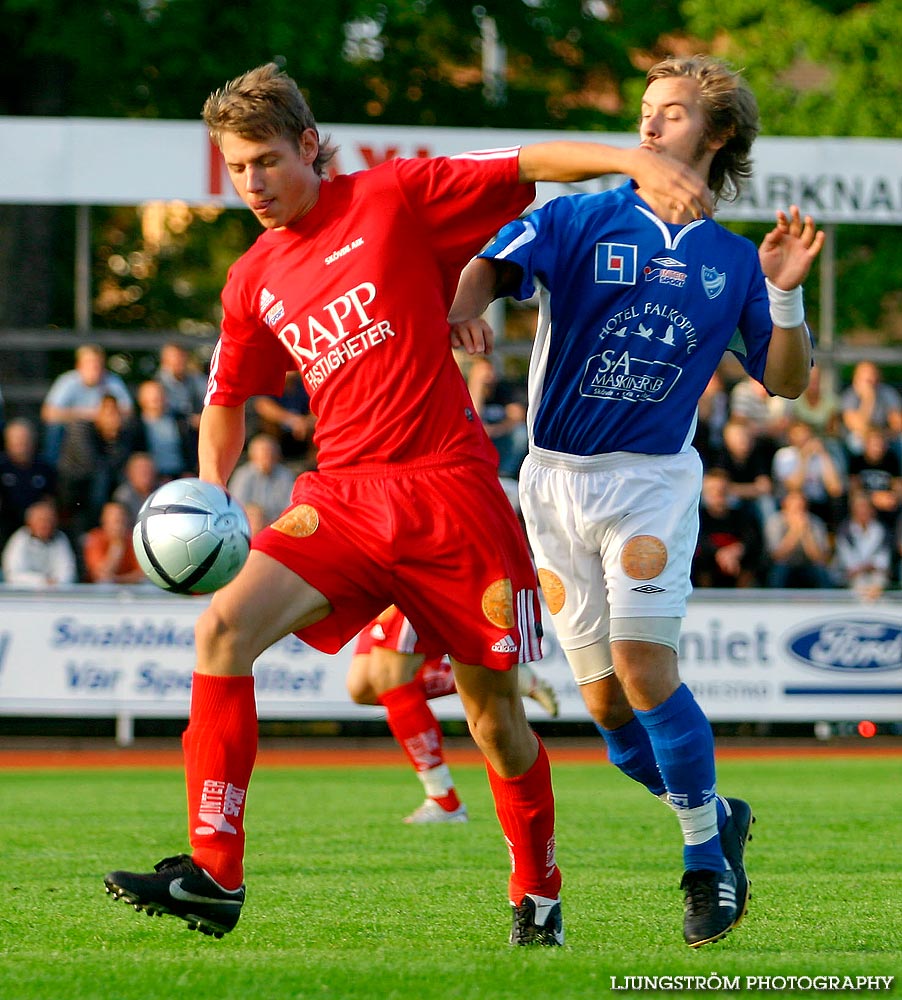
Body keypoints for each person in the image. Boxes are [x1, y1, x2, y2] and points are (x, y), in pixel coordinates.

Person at [102, 60, 714, 946]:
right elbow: (225, 399)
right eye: (236, 168)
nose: (252, 184)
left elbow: (525, 161)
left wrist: (636, 161)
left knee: (495, 722)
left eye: (266, 161)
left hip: (449, 494)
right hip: (341, 498)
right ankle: (215, 875)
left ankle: (537, 891)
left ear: (309, 145)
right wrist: (212, 491)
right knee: (221, 631)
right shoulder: (252, 278)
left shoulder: (392, 194)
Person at [449, 54, 824, 947]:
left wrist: (783, 289)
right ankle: (718, 813)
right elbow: (486, 274)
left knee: (644, 668)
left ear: (718, 133)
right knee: (611, 710)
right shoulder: (581, 214)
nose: (650, 126)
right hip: (551, 483)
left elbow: (787, 381)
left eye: (674, 114)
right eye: (647, 110)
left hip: (650, 481)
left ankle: (704, 867)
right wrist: (457, 307)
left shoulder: (732, 259)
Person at [346, 605, 560, 824]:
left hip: (407, 574)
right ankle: (503, 679)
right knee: (362, 688)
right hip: (375, 578)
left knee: (389, 678)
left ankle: (443, 799)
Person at [40, 344, 133, 462]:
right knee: (55, 428)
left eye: (98, 364)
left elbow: (127, 411)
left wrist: (106, 420)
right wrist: (89, 415)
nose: (94, 368)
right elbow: (48, 413)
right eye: (89, 364)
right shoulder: (67, 382)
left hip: (101, 433)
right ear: (79, 366)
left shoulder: (112, 381)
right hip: (72, 436)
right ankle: (51, 468)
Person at [771, 419, 846, 532]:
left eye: (805, 433)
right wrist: (804, 457)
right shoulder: (784, 455)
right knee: (796, 499)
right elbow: (794, 486)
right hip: (793, 502)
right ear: (790, 437)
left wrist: (823, 455)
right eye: (798, 434)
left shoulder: (820, 455)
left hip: (818, 503)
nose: (802, 438)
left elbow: (835, 488)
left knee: (838, 502)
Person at [692, 469, 764, 588]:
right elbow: (697, 541)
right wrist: (718, 553)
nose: (717, 494)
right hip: (706, 570)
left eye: (721, 491)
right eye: (712, 491)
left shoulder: (742, 516)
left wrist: (737, 550)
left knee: (752, 557)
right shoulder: (696, 518)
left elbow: (753, 540)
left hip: (736, 569)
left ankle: (742, 598)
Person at [0, 418, 57, 549]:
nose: (21, 442)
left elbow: (50, 499)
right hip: (6, 519)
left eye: (25, 438)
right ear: (7, 440)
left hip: (35, 524)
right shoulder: (2, 465)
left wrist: (40, 515)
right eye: (17, 438)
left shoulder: (44, 467)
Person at [763, 489, 834, 589]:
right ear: (785, 506)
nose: (798, 511)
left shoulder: (815, 523)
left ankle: (827, 602)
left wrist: (806, 534)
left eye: (801, 507)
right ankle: (775, 602)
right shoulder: (775, 522)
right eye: (795, 507)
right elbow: (777, 556)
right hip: (784, 565)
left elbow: (819, 558)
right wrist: (794, 532)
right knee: (779, 571)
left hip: (808, 566)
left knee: (821, 572)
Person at [1, 498, 77, 588]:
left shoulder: (60, 539)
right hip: (23, 593)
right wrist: (41, 581)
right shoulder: (20, 539)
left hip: (55, 593)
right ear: (29, 522)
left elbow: (68, 573)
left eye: (49, 520)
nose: (45, 525)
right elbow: (12, 574)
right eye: (41, 520)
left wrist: (55, 583)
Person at [832, 491, 892, 600]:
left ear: (872, 510)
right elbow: (848, 562)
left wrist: (869, 567)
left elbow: (883, 560)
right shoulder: (845, 531)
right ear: (853, 510)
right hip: (852, 575)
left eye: (865, 507)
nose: (863, 511)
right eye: (859, 507)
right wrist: (865, 567)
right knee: (859, 583)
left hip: (875, 573)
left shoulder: (881, 530)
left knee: (878, 581)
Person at [227, 432, 295, 526]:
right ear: (253, 456)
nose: (268, 456)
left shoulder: (286, 475)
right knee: (255, 517)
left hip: (279, 521)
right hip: (251, 522)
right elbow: (237, 505)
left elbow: (291, 504)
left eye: (271, 453)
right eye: (264, 453)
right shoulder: (243, 475)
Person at [840, 361, 902, 458]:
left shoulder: (888, 393)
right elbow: (858, 427)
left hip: (884, 436)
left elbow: (897, 424)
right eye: (866, 379)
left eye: (872, 376)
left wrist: (881, 437)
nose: (870, 381)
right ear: (856, 379)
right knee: (855, 444)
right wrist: (869, 399)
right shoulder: (849, 396)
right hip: (862, 437)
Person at [134, 379, 192, 480]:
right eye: (151, 396)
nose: (156, 398)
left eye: (159, 394)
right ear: (141, 399)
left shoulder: (180, 421)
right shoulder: (135, 426)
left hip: (182, 475)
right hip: (152, 479)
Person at [82, 500, 146, 585]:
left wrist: (118, 580)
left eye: (121, 518)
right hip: (98, 593)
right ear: (103, 520)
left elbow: (144, 574)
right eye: (113, 518)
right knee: (104, 583)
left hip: (130, 590)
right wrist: (117, 546)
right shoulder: (95, 538)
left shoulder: (135, 539)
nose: (118, 523)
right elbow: (101, 575)